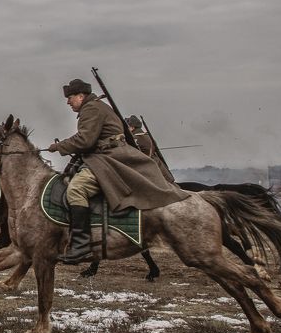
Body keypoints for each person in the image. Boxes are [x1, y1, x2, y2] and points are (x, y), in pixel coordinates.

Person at [47, 80, 188, 264]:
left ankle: (81, 244)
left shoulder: (91, 109)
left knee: (76, 189)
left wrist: (59, 146)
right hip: (106, 156)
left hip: (107, 159)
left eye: (70, 97)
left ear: (81, 96)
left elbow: (85, 140)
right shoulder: (97, 106)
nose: (68, 102)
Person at [127, 115, 175, 183]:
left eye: (128, 127)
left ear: (132, 127)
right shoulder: (147, 136)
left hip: (152, 171)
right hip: (160, 169)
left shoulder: (136, 138)